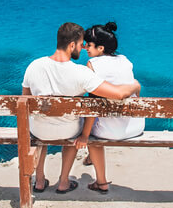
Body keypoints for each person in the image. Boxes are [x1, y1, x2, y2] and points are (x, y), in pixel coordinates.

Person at [22, 22, 140, 194]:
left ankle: (39, 181)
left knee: (40, 130)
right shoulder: (81, 73)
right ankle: (63, 182)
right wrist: (135, 85)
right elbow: (119, 93)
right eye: (80, 44)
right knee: (76, 131)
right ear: (72, 45)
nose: (83, 48)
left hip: (39, 130)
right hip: (68, 132)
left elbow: (25, 99)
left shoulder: (34, 66)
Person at [75, 22, 142, 194]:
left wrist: (85, 136)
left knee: (90, 132)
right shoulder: (125, 60)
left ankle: (101, 182)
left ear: (100, 48)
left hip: (112, 132)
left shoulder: (92, 64)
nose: (85, 48)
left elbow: (93, 105)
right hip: (135, 127)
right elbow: (136, 91)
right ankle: (90, 157)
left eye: (89, 45)